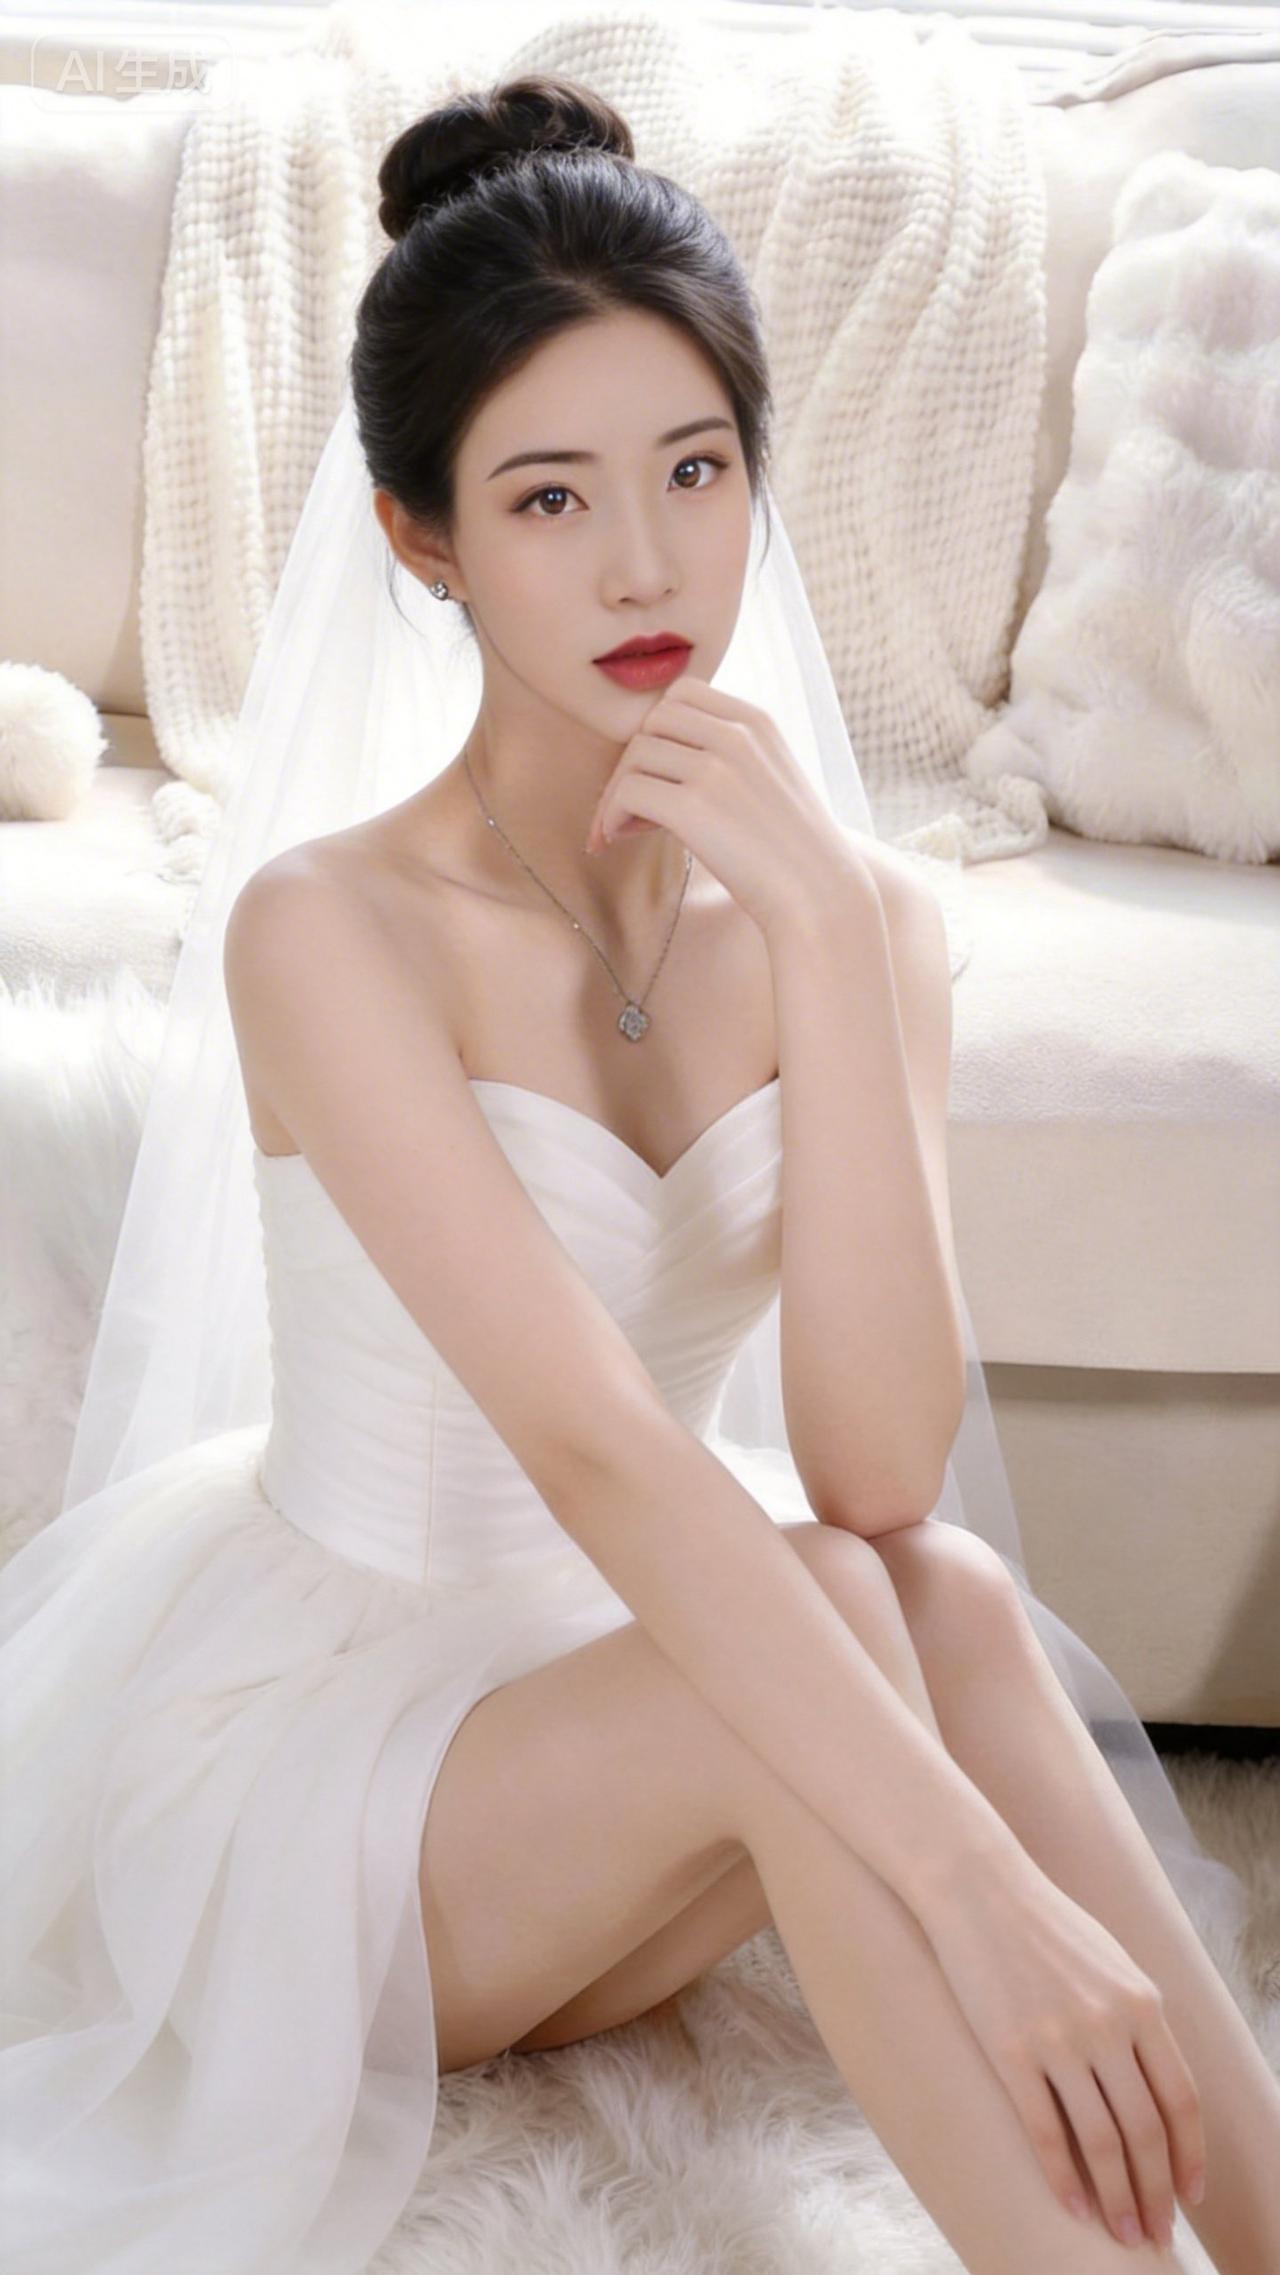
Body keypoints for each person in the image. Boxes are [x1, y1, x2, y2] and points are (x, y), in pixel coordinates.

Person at [3, 68, 1278, 2275]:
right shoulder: (332, 929)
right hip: (349, 1791)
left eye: (694, 471)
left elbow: (874, 1471)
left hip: (661, 1698)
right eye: (548, 497)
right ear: (422, 538)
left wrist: (830, 936)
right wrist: (984, 1896)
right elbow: (596, 1448)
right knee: (820, 1633)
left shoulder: (848, 919)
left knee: (935, 1593)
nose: (644, 564)